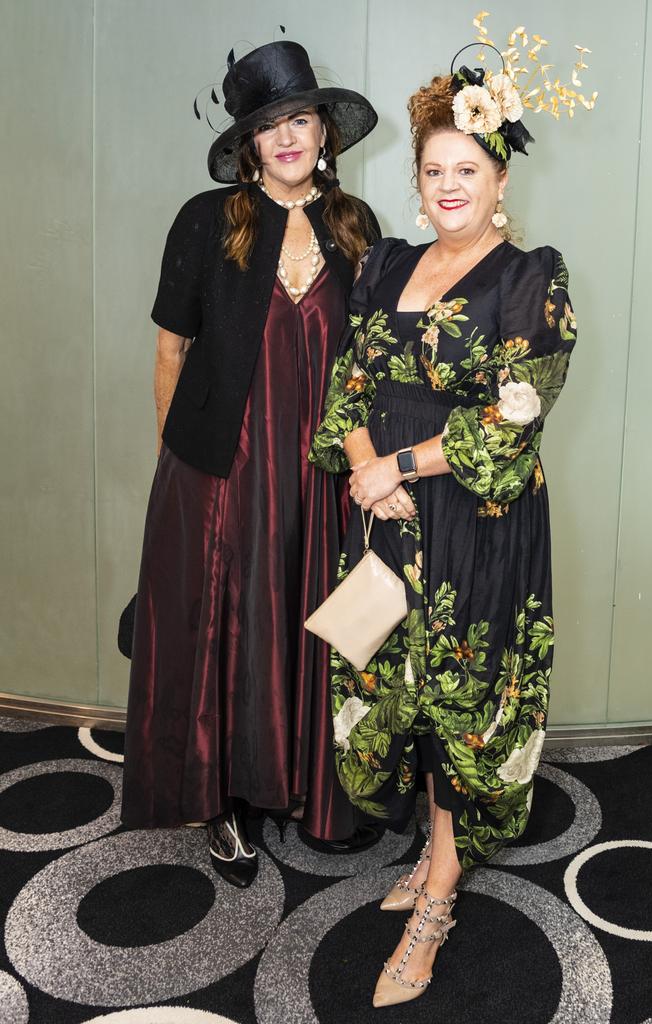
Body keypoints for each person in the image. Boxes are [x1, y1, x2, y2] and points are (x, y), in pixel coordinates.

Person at [309, 28, 589, 1005]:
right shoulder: (384, 265)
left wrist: (396, 462)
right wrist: (362, 469)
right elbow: (345, 386)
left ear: (499, 176)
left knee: (456, 705)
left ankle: (437, 892)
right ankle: (428, 859)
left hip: (476, 530)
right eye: (433, 169)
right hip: (382, 526)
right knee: (379, 683)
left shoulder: (529, 278)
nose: (447, 184)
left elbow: (509, 422)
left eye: (466, 167)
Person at [121, 39, 381, 887]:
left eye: (300, 118)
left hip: (322, 468)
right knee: (228, 621)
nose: (288, 137)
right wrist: (181, 462)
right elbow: (170, 350)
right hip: (227, 463)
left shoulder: (355, 226)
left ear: (323, 132)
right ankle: (222, 802)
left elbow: (375, 361)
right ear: (249, 145)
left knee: (313, 609)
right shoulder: (207, 219)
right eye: (269, 126)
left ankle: (313, 786)